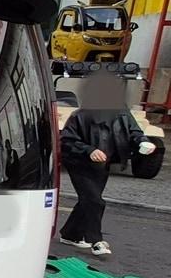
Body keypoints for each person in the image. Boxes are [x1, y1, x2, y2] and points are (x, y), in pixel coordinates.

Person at [58, 73, 157, 255]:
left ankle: (70, 234)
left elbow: (134, 131)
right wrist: (89, 150)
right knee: (95, 201)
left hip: (103, 163)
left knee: (88, 200)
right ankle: (96, 241)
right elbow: (67, 140)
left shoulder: (122, 114)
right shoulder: (79, 116)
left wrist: (143, 141)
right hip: (79, 163)